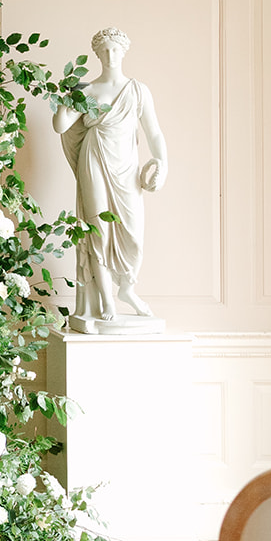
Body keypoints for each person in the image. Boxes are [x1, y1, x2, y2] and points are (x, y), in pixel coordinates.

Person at [52, 27, 167, 332]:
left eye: (115, 49)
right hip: (94, 159)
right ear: (97, 53)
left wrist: (162, 162)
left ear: (124, 51)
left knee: (133, 233)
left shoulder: (138, 90)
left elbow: (153, 131)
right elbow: (61, 125)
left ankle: (127, 287)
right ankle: (106, 299)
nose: (110, 55)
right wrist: (68, 95)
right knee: (97, 229)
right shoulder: (87, 91)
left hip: (127, 167)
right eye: (104, 50)